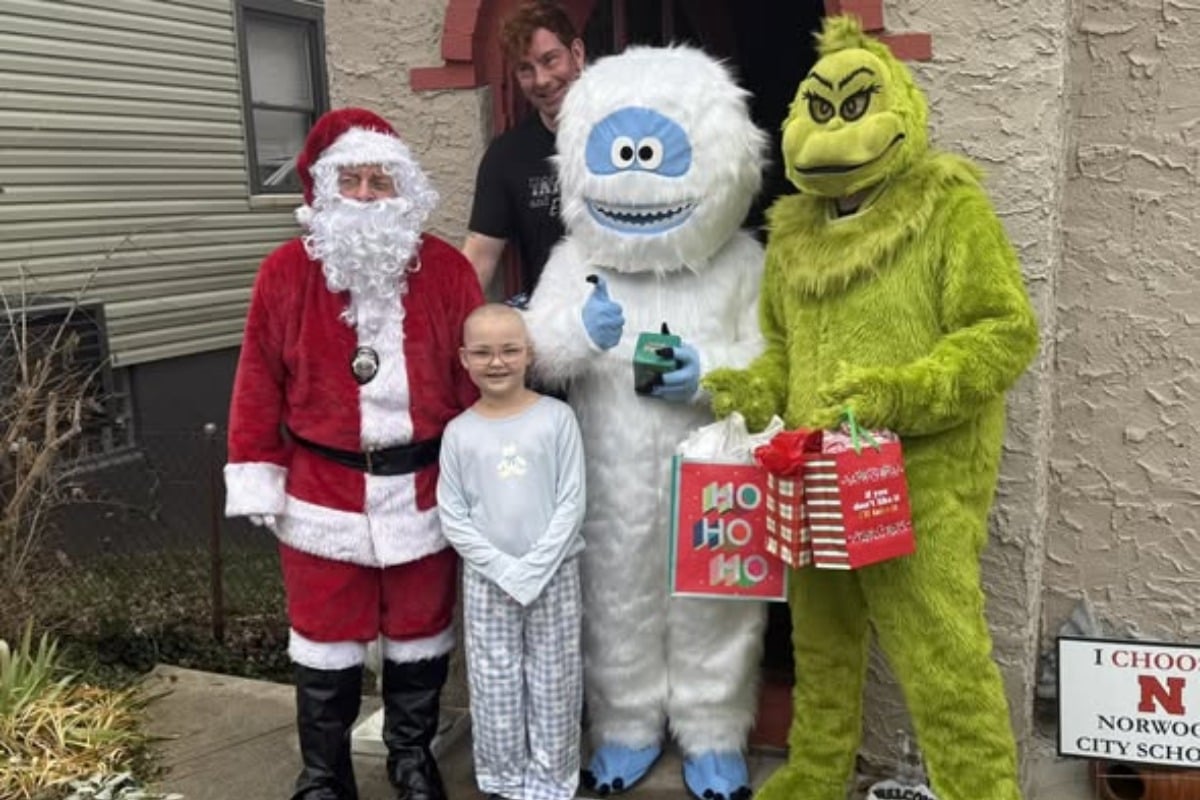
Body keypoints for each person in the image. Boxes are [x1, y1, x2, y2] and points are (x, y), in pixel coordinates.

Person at [704, 16, 1040, 800]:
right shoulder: (794, 235)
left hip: (919, 481)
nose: (833, 132)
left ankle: (981, 790)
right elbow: (783, 347)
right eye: (817, 110)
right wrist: (757, 390)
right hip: (813, 478)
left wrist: (901, 394)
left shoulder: (948, 210)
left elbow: (1003, 332)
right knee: (822, 645)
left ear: (901, 110)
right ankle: (817, 772)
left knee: (942, 655)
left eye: (853, 107)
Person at [522, 46, 768, 800]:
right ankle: (625, 725)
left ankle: (714, 732)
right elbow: (534, 352)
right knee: (615, 597)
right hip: (610, 472)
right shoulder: (575, 261)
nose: (636, 173)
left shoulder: (742, 261)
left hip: (715, 471)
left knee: (716, 600)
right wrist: (579, 332)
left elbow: (771, 359)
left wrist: (712, 371)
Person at [223, 107, 484, 800]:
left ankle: (411, 758)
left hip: (424, 490)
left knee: (420, 634)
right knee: (325, 640)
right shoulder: (285, 273)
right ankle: (324, 774)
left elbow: (472, 384)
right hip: (321, 495)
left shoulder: (448, 271)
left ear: (404, 189)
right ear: (325, 189)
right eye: (352, 180)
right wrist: (256, 470)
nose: (367, 194)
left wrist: (482, 478)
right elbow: (258, 381)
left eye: (380, 180)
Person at [437, 303, 586, 800]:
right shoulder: (459, 433)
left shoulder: (557, 419)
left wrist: (535, 568)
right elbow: (453, 515)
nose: (496, 362)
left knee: (555, 678)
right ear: (464, 358)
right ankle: (503, 777)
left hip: (555, 573)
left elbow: (572, 501)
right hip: (488, 579)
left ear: (529, 354)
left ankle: (552, 779)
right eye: (482, 352)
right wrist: (503, 568)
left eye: (509, 350)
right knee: (494, 679)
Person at [462, 0, 585, 300]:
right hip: (554, 319)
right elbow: (480, 257)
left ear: (577, 54)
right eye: (526, 69)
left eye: (550, 60)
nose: (541, 80)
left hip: (635, 317)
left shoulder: (626, 134)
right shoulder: (507, 155)